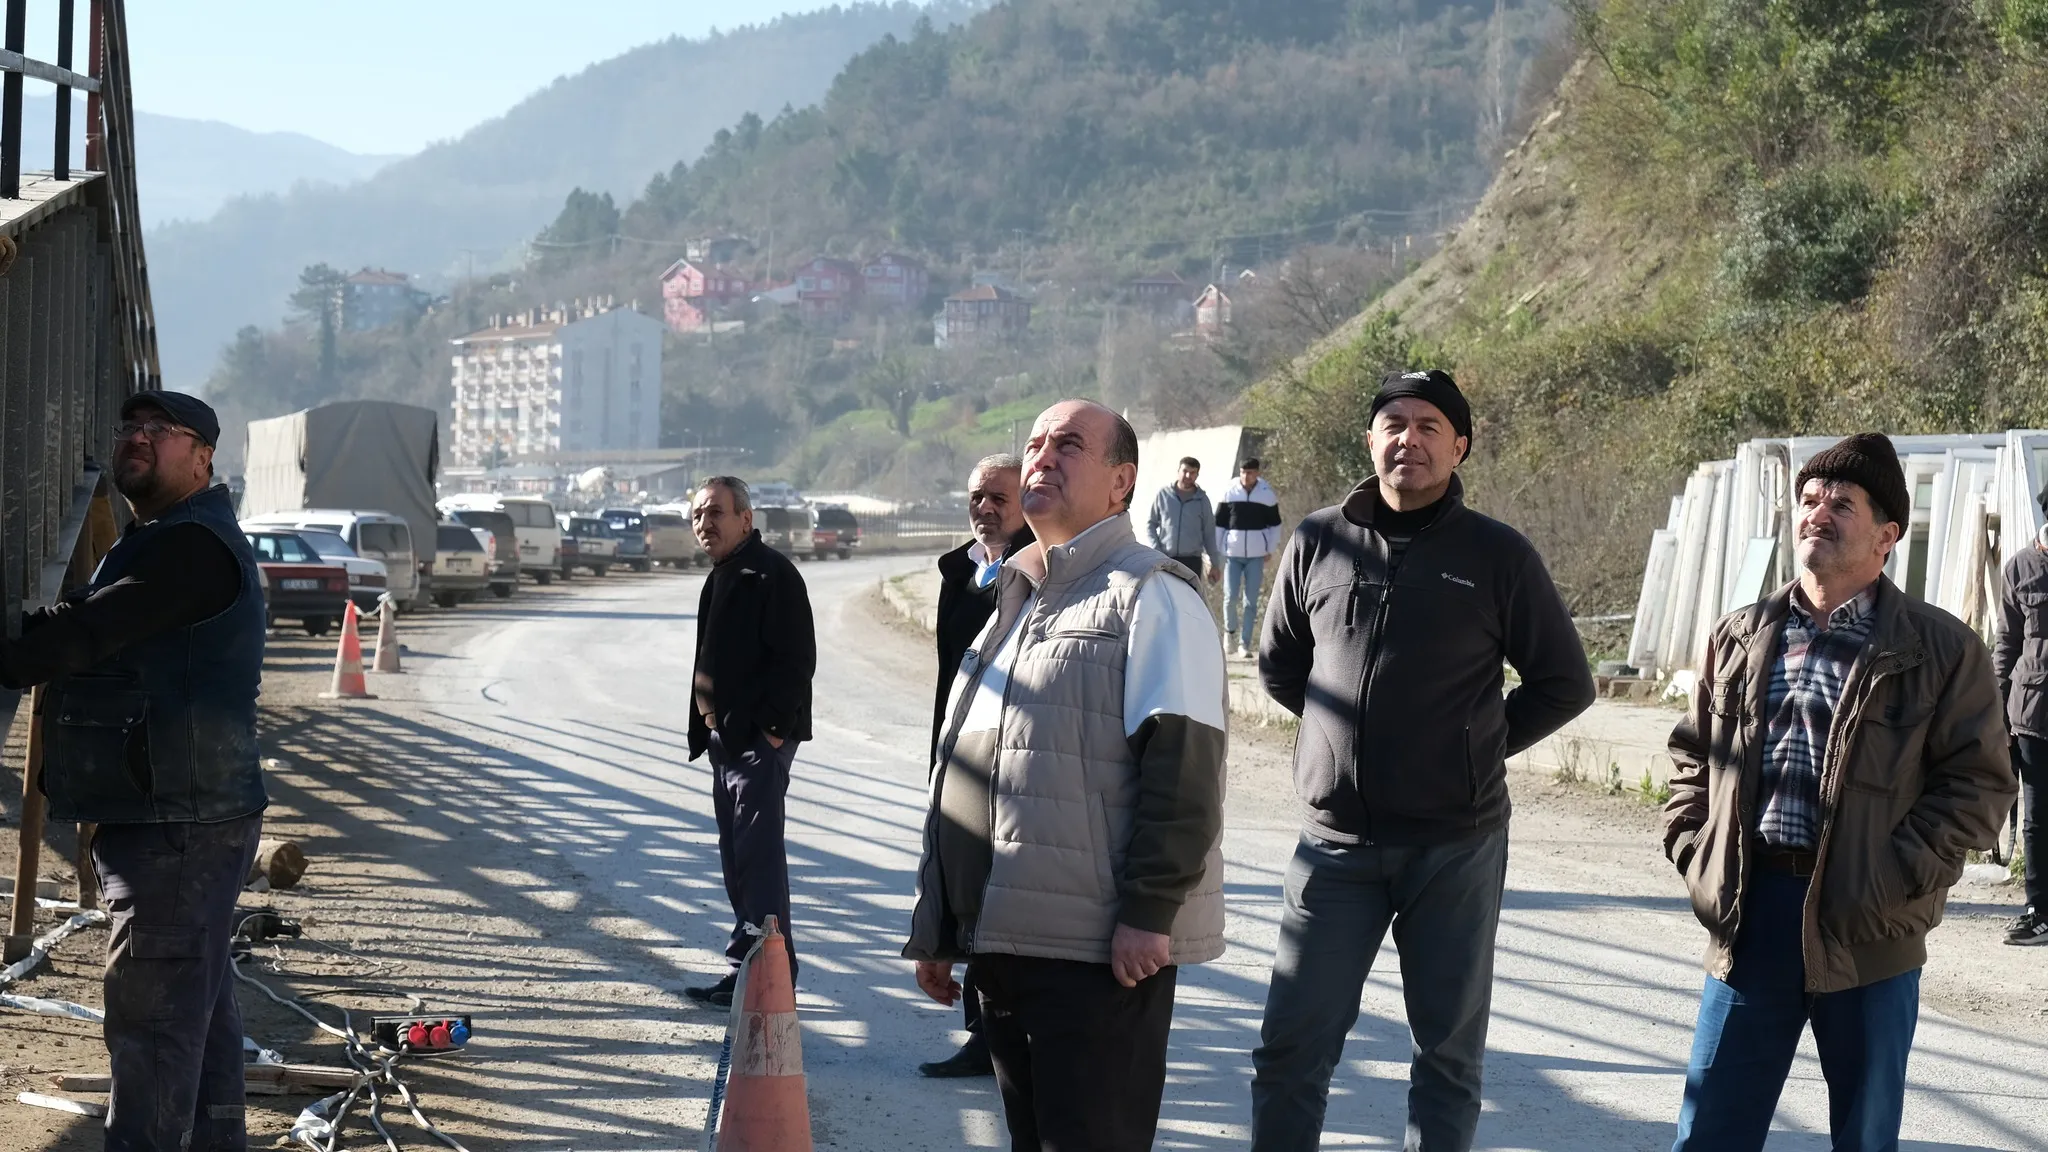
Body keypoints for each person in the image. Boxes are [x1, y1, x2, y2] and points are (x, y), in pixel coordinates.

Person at [1251, 369, 1595, 1151]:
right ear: (1370, 440)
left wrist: (1469, 746)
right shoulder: (1319, 539)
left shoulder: (1497, 555)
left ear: (1460, 445)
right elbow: (1280, 666)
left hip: (1455, 845)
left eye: (1430, 426)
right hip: (1334, 847)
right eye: (1394, 424)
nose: (1410, 438)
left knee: (1445, 1055)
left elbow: (1563, 683)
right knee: (1291, 1049)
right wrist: (1344, 744)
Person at [1663, 433, 2015, 1150]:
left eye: (1842, 504)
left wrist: (1894, 880)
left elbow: (1978, 784)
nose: (1818, 513)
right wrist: (1696, 851)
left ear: (1887, 536)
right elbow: (1691, 756)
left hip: (1869, 926)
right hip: (1750, 915)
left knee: (1863, 1133)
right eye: (1810, 499)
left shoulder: (1941, 649)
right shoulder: (1741, 634)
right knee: (1710, 1131)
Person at [905, 399, 1228, 1150]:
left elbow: (1184, 770)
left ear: (1121, 484)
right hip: (1007, 946)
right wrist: (940, 923)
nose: (1042, 457)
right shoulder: (1014, 597)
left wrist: (1149, 914)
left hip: (1095, 956)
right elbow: (973, 768)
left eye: (1069, 446)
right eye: (1035, 444)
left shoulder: (1152, 595)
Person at [0, 391, 267, 1152]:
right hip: (184, 812)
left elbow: (88, 631)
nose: (138, 438)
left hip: (180, 821)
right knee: (199, 1012)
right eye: (130, 427)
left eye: (162, 430)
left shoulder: (191, 548)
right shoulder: (165, 537)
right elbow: (96, 618)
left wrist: (16, 649)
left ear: (203, 456)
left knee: (152, 1025)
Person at [917, 453, 1034, 1079]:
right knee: (964, 892)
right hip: (958, 750)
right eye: (976, 498)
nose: (985, 509)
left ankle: (995, 1038)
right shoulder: (959, 570)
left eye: (998, 498)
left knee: (1000, 899)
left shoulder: (1039, 570)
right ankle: (985, 1034)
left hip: (1011, 756)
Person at [683, 476, 817, 1009]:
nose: (704, 523)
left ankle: (768, 980)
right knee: (738, 859)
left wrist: (772, 730)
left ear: (746, 517)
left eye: (716, 512)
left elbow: (796, 659)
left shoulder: (771, 574)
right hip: (727, 741)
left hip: (756, 744)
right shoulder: (724, 575)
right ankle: (748, 967)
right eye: (697, 515)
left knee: (758, 862)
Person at [1995, 490, 2048, 946]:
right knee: (2036, 819)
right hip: (2032, 714)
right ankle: (2037, 910)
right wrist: (1997, 711)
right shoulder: (2019, 568)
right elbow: (2006, 643)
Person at [1215, 456, 1280, 657]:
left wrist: (1269, 549)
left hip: (1256, 555)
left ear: (1257, 473)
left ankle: (1245, 644)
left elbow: (1275, 525)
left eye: (1250, 472)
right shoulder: (1229, 491)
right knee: (1230, 597)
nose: (1246, 476)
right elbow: (1219, 523)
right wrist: (1220, 549)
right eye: (1243, 472)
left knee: (1250, 601)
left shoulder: (1266, 494)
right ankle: (1230, 635)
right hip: (1233, 554)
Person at [1145, 455, 1222, 586]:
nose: (1188, 476)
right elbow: (1151, 525)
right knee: (1165, 601)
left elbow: (1209, 533)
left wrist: (1215, 564)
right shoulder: (1164, 495)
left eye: (1192, 473)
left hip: (1192, 562)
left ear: (1197, 475)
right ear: (1178, 471)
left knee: (1189, 603)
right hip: (1166, 559)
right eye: (1185, 471)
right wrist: (1157, 550)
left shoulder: (1202, 500)